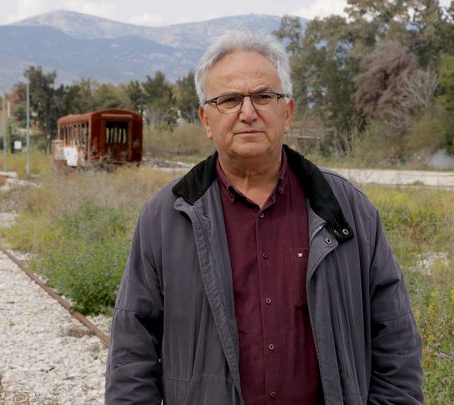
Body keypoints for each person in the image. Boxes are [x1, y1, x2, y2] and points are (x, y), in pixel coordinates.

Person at [105, 29, 423, 405]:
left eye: (263, 96)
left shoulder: (347, 210)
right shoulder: (165, 216)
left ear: (287, 112)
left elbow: (395, 338)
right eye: (229, 100)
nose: (248, 112)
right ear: (206, 119)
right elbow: (132, 349)